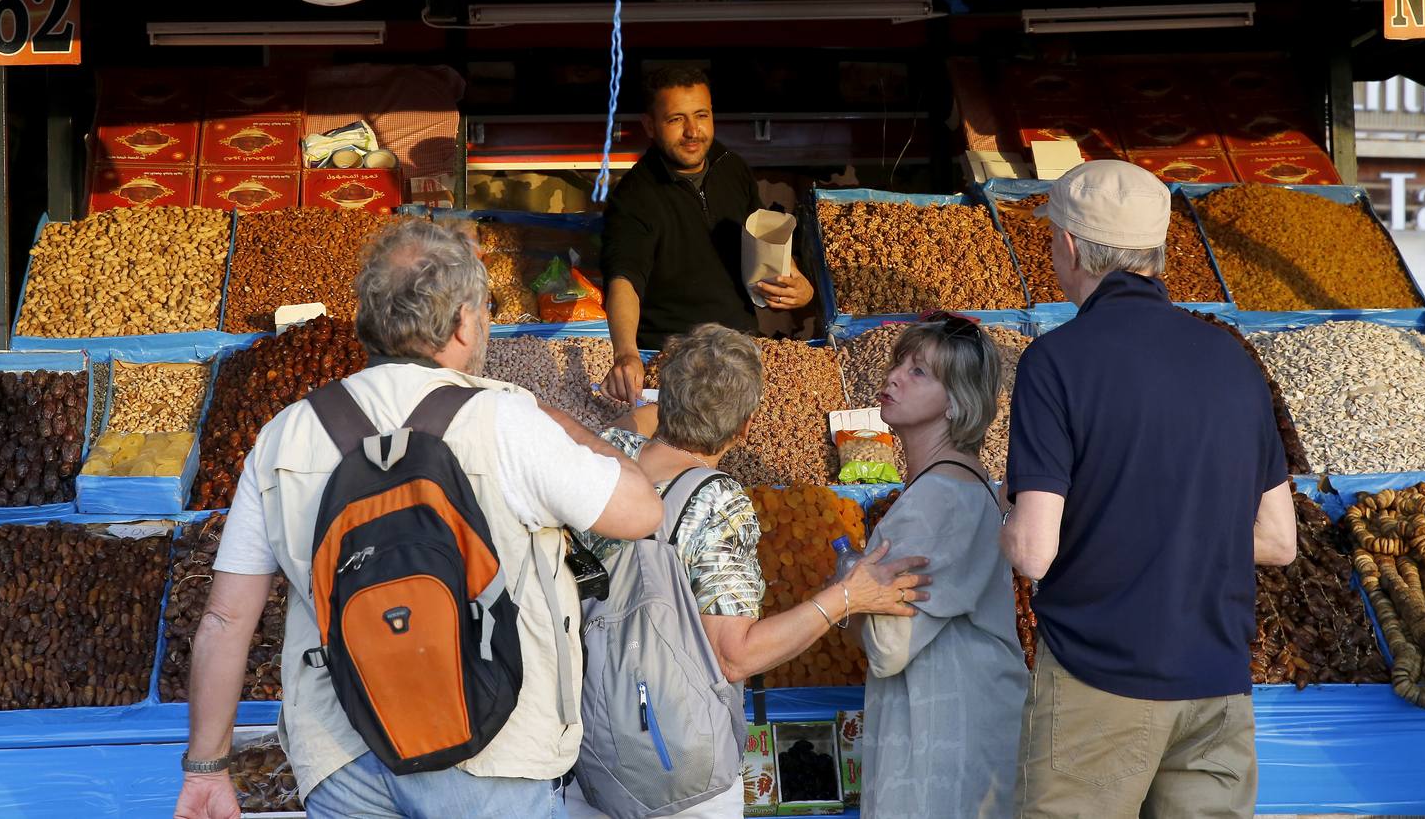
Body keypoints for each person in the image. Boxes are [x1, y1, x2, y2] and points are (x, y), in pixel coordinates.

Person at [173, 219, 664, 819]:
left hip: (345, 756)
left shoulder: (284, 435)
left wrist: (206, 768)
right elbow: (642, 510)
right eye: (483, 311)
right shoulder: (508, 422)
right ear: (462, 321)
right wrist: (562, 421)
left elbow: (225, 619)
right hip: (498, 753)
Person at [1001, 160, 1296, 819]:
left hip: (1097, 677)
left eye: (1051, 240)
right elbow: (1277, 540)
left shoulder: (1056, 362)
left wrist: (1001, 512)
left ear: (1071, 247)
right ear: (1155, 251)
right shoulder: (1233, 362)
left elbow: (1032, 553)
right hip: (1216, 682)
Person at [565, 322, 931, 818]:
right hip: (672, 769)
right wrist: (847, 596)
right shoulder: (713, 500)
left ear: (664, 398)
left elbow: (639, 422)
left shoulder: (608, 453)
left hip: (590, 739)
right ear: (742, 429)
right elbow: (734, 656)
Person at [853, 314, 1026, 818]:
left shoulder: (936, 502)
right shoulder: (964, 485)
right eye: (899, 363)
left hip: (944, 740)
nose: (893, 377)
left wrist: (845, 595)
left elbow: (887, 646)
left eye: (920, 372)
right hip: (971, 726)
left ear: (956, 402)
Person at [601, 65, 814, 404]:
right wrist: (625, 352)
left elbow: (762, 240)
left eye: (701, 115)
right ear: (650, 126)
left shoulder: (732, 167)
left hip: (743, 352)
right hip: (675, 361)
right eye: (675, 120)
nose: (692, 131)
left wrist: (799, 286)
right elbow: (624, 278)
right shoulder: (634, 197)